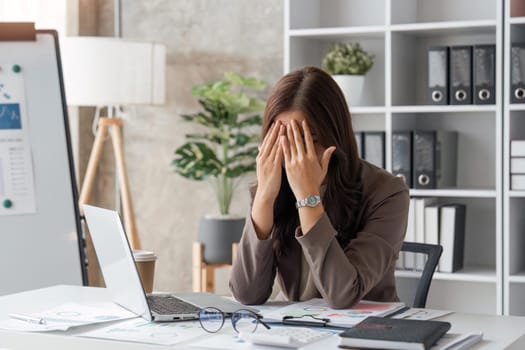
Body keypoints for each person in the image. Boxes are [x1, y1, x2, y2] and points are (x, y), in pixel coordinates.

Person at [229, 66, 409, 309]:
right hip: (294, 331)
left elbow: (344, 295)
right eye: (283, 139)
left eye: (307, 139)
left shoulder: (387, 193)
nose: (294, 154)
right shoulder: (271, 188)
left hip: (364, 331)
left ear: (334, 136)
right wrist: (264, 197)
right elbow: (247, 294)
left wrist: (307, 196)